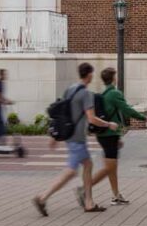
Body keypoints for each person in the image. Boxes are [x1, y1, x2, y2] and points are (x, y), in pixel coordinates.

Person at [32, 62, 117, 216]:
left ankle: (89, 202)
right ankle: (43, 197)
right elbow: (92, 118)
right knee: (70, 172)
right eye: (92, 74)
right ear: (90, 75)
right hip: (77, 138)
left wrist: (54, 136)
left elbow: (61, 113)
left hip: (70, 136)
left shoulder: (70, 89)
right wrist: (109, 124)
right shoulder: (86, 94)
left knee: (88, 165)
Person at [89, 67, 146, 203]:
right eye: (115, 76)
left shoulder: (105, 93)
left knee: (112, 167)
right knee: (109, 167)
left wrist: (118, 137)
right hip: (109, 135)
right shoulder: (114, 93)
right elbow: (126, 109)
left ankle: (116, 195)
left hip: (106, 134)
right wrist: (143, 118)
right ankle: (85, 188)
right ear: (113, 78)